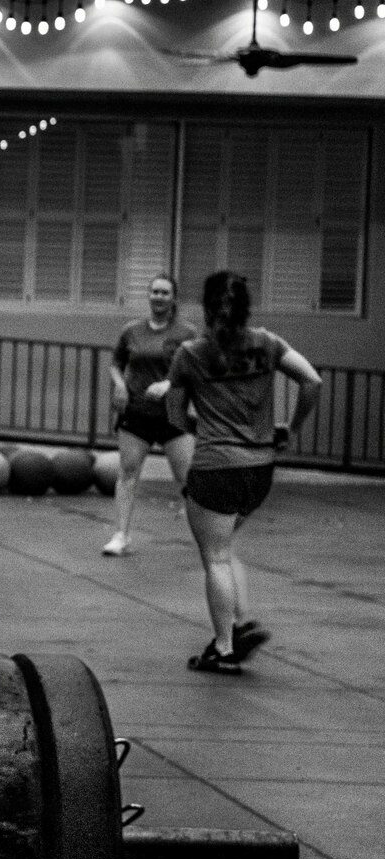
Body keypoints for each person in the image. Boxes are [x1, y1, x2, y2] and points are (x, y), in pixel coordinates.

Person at [165, 271, 320, 674]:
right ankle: (238, 621)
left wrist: (207, 429)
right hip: (260, 469)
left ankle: (224, 647)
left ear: (205, 306)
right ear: (247, 308)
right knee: (226, 545)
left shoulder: (191, 353)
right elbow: (311, 380)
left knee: (214, 557)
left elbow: (175, 417)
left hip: (216, 469)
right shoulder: (267, 344)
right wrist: (292, 428)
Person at [101, 273, 197, 556]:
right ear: (149, 295)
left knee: (187, 480)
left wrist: (170, 384)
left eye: (165, 292)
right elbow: (115, 363)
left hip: (173, 414)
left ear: (173, 298)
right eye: (154, 291)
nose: (158, 297)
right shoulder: (132, 330)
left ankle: (206, 536)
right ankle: (120, 535)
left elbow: (196, 371)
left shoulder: (187, 334)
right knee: (128, 473)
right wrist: (119, 385)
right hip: (137, 413)